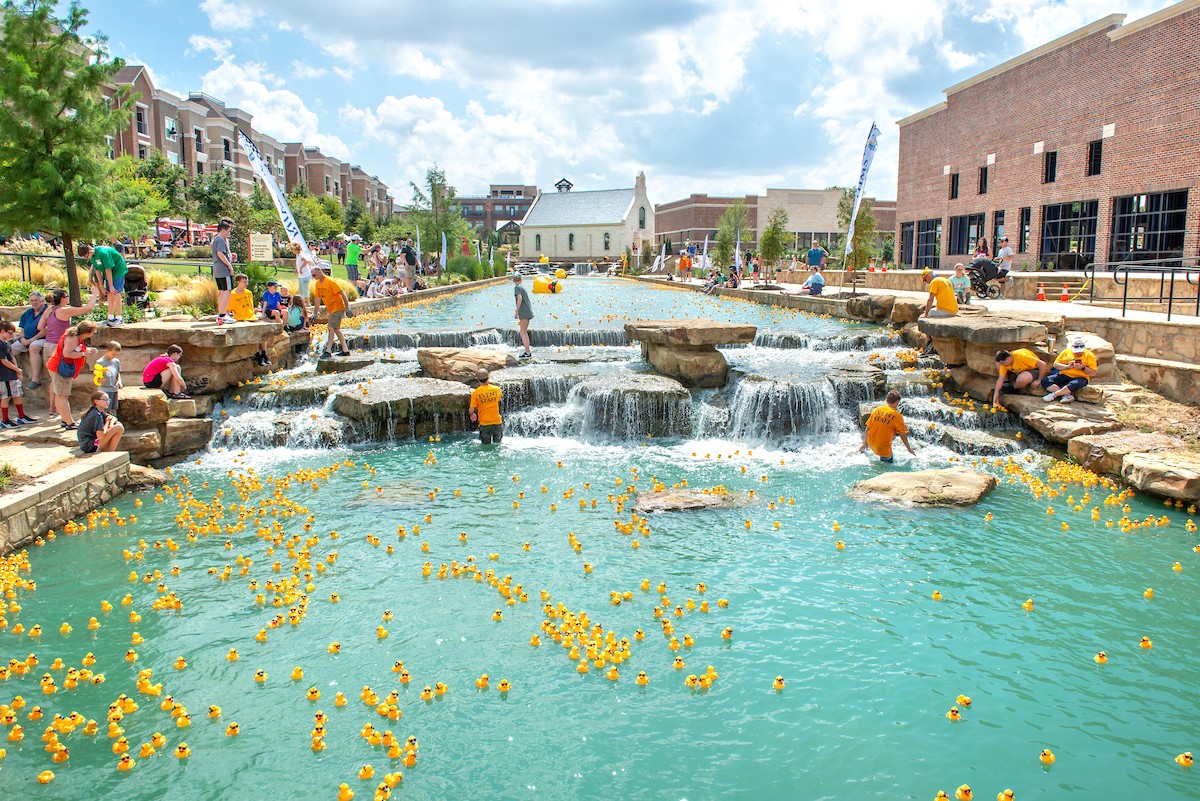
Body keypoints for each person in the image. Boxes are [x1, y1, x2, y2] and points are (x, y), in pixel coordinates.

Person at [45, 320, 97, 430]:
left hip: (60, 368)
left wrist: (87, 351)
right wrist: (84, 354)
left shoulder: (77, 337)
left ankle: (65, 420)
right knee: (62, 396)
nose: (94, 333)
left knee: (61, 395)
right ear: (87, 332)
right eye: (93, 331)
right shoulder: (73, 338)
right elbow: (67, 353)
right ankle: (69, 423)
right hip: (61, 369)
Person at [77, 242, 128, 326]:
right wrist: (101, 286)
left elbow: (109, 269)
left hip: (118, 270)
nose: (86, 258)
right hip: (109, 273)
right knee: (109, 293)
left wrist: (111, 286)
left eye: (86, 256)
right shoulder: (93, 257)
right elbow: (97, 270)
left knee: (115, 292)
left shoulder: (103, 253)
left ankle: (119, 318)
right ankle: (110, 317)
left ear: (89, 251)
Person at [859, 389, 915, 463]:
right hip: (883, 450)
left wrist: (864, 444)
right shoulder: (897, 416)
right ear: (897, 402)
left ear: (886, 400)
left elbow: (867, 429)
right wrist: (909, 448)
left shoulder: (877, 410)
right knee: (888, 463)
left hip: (871, 443)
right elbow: (903, 435)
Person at [310, 264, 353, 357]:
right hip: (331, 308)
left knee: (331, 327)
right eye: (312, 275)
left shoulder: (330, 281)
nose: (313, 277)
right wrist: (314, 313)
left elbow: (342, 292)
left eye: (314, 275)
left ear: (320, 272)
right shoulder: (317, 284)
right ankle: (345, 350)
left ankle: (328, 351)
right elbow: (317, 299)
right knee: (336, 329)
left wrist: (347, 307)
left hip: (338, 307)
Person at [1041, 337, 1098, 404]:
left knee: (1074, 384)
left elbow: (1093, 372)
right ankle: (1066, 395)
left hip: (1080, 377)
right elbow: (1056, 365)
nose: (1078, 354)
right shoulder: (1066, 352)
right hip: (1064, 374)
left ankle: (1054, 395)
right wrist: (1067, 367)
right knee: (1045, 381)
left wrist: (1083, 368)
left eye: (1080, 352)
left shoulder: (1090, 356)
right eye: (1076, 352)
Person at [0, 321, 35, 427]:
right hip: (4, 375)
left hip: (11, 373)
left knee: (17, 394)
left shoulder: (6, 343)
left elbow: (11, 357)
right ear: (2, 331)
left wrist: (17, 371)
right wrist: (16, 369)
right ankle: (5, 420)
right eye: (10, 333)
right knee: (6, 396)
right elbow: (3, 360)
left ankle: (21, 416)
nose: (11, 336)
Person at [13, 291, 49, 389]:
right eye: (32, 300)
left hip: (43, 339)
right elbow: (22, 329)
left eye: (36, 300)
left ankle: (35, 380)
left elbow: (45, 330)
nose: (34, 302)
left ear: (42, 301)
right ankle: (9, 378)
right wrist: (23, 338)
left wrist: (31, 340)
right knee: (9, 350)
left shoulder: (47, 311)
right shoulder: (28, 313)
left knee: (33, 347)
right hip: (26, 339)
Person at [469, 368, 504, 444]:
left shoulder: (476, 393)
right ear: (488, 377)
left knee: (486, 445)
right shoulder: (497, 389)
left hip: (484, 424)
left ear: (477, 379)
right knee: (498, 444)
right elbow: (500, 398)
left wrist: (472, 414)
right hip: (497, 422)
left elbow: (471, 409)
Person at [212, 217, 235, 324]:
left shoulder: (216, 239)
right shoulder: (220, 240)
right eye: (228, 231)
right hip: (223, 269)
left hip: (217, 269)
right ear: (224, 230)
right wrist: (229, 266)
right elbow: (220, 253)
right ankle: (222, 314)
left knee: (222, 291)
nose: (229, 233)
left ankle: (221, 314)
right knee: (227, 291)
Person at [93, 341, 122, 410]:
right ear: (107, 351)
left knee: (113, 408)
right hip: (104, 389)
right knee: (105, 408)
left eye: (116, 355)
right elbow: (97, 375)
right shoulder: (100, 362)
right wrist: (99, 380)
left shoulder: (116, 361)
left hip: (114, 389)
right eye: (113, 354)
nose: (114, 356)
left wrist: (119, 381)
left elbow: (118, 373)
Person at [513, 273, 533, 359]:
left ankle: (528, 352)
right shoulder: (522, 287)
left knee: (523, 332)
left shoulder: (517, 288)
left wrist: (517, 311)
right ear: (521, 280)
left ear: (513, 280)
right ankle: (528, 351)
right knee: (523, 331)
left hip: (524, 312)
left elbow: (520, 298)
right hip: (527, 311)